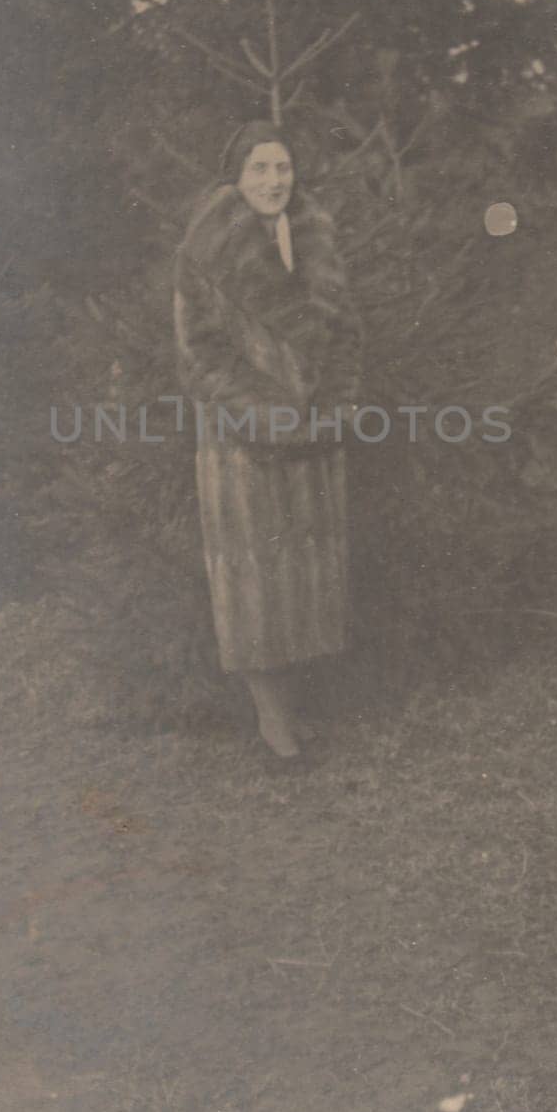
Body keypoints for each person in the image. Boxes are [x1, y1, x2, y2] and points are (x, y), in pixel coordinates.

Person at [173, 120, 363, 759]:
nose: (273, 181)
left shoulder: (319, 238)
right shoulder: (205, 251)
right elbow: (198, 353)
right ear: (236, 177)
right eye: (259, 169)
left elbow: (345, 335)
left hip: (314, 432)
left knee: (304, 570)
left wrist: (333, 404)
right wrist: (264, 413)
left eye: (282, 168)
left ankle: (299, 713)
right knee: (252, 576)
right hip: (243, 438)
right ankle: (273, 724)